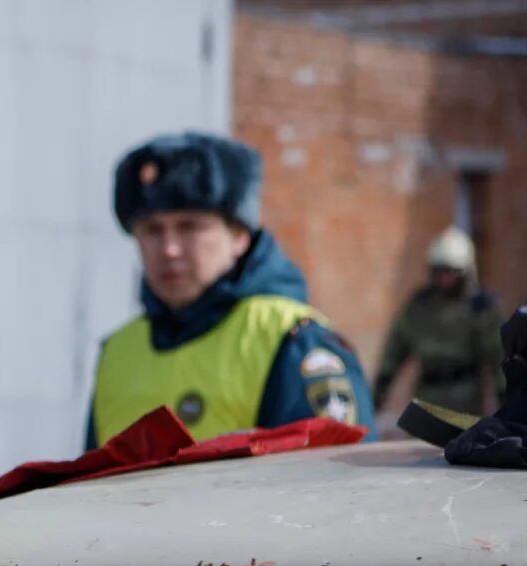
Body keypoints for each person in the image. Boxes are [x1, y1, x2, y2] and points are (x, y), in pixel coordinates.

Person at [87, 133, 374, 451]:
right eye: (152, 230)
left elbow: (336, 491)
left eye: (189, 227)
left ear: (240, 236)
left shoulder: (293, 341)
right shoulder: (117, 351)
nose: (169, 249)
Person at [372, 226, 504, 420]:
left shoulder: (481, 308)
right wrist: (377, 394)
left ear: (465, 272)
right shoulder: (419, 305)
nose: (445, 278)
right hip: (427, 397)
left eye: (451, 272)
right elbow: (394, 351)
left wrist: (507, 399)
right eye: (440, 271)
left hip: (466, 399)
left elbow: (498, 357)